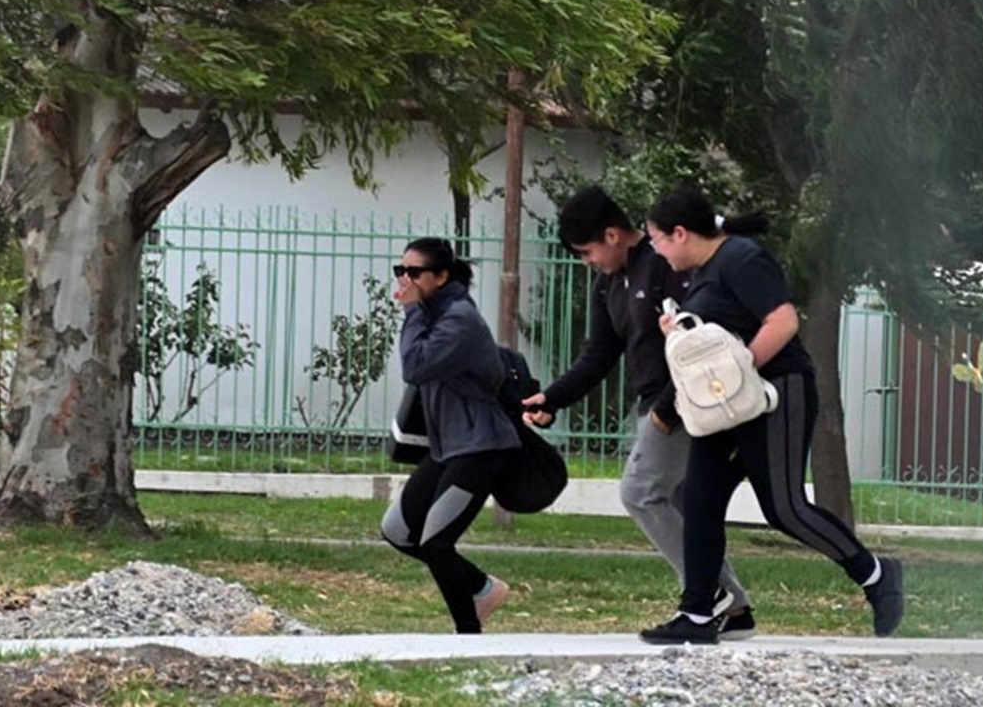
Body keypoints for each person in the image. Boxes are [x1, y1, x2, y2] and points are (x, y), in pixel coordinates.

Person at [639, 185, 905, 645]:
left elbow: (782, 322)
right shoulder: (702, 274)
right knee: (697, 496)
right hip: (729, 406)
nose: (657, 252)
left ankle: (877, 575)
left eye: (657, 241)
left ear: (679, 234)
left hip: (778, 394)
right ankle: (698, 615)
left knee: (783, 508)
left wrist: (740, 371)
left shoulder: (742, 259)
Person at [521, 186, 757, 638]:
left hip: (687, 401)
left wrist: (668, 410)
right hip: (656, 403)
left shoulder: (665, 263)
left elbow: (698, 340)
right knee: (679, 503)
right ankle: (733, 607)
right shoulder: (608, 283)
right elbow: (598, 355)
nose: (587, 262)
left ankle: (706, 595)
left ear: (612, 234)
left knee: (639, 491)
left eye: (588, 252)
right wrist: (552, 398)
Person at [379, 236, 520, 632]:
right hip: (447, 449)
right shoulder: (433, 313)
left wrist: (410, 312)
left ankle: (468, 633)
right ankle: (481, 588)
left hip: (481, 446)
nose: (405, 279)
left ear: (440, 276)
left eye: (415, 272)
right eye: (400, 271)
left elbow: (416, 366)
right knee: (398, 532)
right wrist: (416, 310)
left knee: (435, 543)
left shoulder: (459, 318)